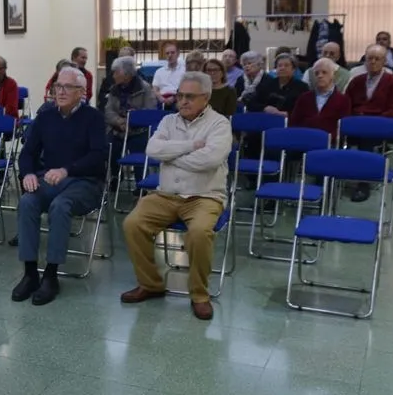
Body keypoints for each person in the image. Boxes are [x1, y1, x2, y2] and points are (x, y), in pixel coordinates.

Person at [119, 72, 232, 320]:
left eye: (189, 96)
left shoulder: (220, 124)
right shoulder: (169, 121)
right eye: (180, 95)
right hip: (166, 195)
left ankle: (199, 295)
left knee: (199, 232)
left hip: (204, 196)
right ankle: (151, 284)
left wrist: (171, 156)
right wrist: (191, 146)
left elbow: (210, 159)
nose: (182, 101)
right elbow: (153, 149)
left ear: (206, 97)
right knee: (133, 224)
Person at [12, 67, 107, 306]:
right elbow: (27, 153)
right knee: (27, 201)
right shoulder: (46, 116)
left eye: (67, 87)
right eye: (57, 86)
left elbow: (98, 156)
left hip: (85, 182)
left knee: (60, 206)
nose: (60, 91)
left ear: (81, 92)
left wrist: (67, 170)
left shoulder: (93, 117)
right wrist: (28, 174)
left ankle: (51, 275)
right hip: (51, 179)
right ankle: (30, 272)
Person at [344, 44, 393, 202]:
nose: (373, 62)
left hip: (378, 126)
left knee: (366, 140)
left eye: (377, 59)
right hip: (355, 124)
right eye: (370, 58)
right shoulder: (357, 80)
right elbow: (346, 104)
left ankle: (363, 185)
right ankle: (330, 177)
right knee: (334, 135)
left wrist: (373, 121)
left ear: (384, 61)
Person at [104, 56, 157, 175]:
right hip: (118, 130)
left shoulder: (145, 88)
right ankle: (114, 179)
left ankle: (141, 185)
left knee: (139, 151)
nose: (113, 76)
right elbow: (108, 111)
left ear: (127, 74)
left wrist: (131, 120)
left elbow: (150, 110)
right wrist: (119, 121)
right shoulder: (114, 90)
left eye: (116, 72)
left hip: (138, 130)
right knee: (110, 149)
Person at [290, 57, 351, 141]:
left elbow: (342, 127)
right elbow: (294, 123)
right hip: (304, 141)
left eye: (324, 72)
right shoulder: (304, 98)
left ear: (332, 75)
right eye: (316, 73)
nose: (320, 76)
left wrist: (325, 139)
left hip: (329, 143)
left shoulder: (343, 100)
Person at [153, 41, 185, 107]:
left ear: (178, 54)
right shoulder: (159, 72)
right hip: (162, 100)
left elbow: (186, 88)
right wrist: (161, 98)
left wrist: (175, 98)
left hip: (179, 100)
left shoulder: (184, 71)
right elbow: (155, 89)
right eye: (167, 53)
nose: (170, 55)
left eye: (172, 53)